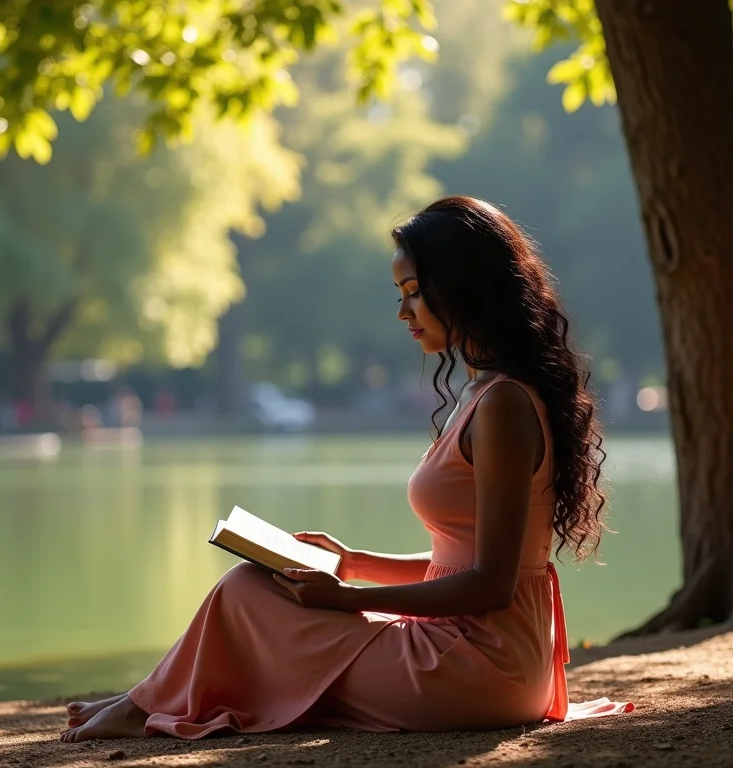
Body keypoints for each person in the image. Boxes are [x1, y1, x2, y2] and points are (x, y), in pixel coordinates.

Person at [60, 196, 633, 743]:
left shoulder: (504, 405)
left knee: (245, 597)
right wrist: (353, 563)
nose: (402, 310)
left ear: (460, 287)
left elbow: (490, 584)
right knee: (256, 588)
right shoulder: (486, 393)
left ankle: (143, 708)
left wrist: (345, 598)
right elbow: (456, 565)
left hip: (484, 669)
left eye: (413, 291)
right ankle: (146, 702)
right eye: (399, 292)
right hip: (475, 652)